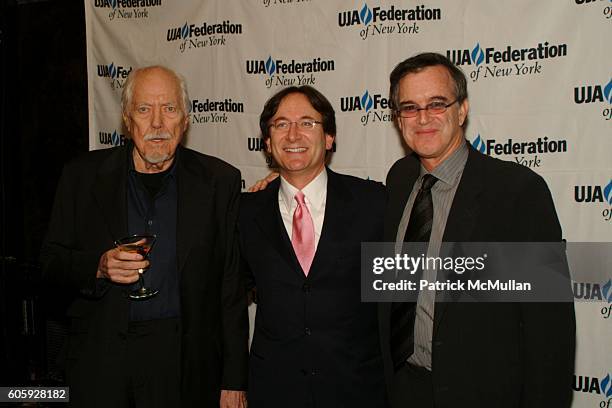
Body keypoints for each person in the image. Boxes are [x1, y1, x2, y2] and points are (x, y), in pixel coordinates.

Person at [41, 66, 248, 408]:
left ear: (185, 120)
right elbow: (50, 265)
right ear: (126, 119)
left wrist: (234, 380)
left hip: (184, 364)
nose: (157, 123)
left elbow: (231, 287)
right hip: (100, 361)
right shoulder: (81, 177)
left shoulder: (219, 181)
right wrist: (98, 266)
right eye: (143, 109)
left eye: (169, 109)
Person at [379, 52, 575, 407]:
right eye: (409, 107)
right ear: (397, 118)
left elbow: (550, 330)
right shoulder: (399, 178)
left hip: (482, 394)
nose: (423, 118)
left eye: (437, 103)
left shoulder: (518, 192)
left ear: (462, 109)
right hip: (403, 388)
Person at [240, 86, 387, 408]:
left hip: (358, 389)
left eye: (307, 123)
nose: (293, 135)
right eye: (280, 124)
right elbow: (225, 298)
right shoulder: (244, 212)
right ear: (267, 142)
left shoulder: (374, 203)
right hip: (274, 390)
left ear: (330, 137)